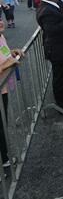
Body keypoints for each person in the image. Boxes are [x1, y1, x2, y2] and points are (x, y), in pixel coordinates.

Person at [0, 18, 24, 169]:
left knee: (2, 123)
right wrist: (11, 62)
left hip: (3, 89)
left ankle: (5, 159)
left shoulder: (1, 36)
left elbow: (4, 54)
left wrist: (12, 53)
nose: (0, 22)